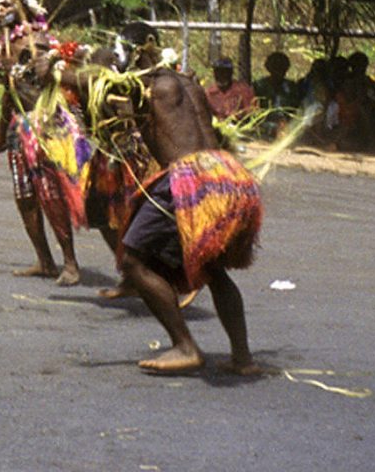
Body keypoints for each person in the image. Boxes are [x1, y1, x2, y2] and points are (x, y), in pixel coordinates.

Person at [60, 51, 261, 375]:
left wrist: (56, 72)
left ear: (139, 54)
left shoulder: (151, 84)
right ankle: (243, 359)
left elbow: (98, 81)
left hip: (188, 180)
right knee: (213, 269)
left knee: (133, 261)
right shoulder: (189, 84)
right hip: (226, 174)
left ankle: (185, 346)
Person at [0, 0, 85, 285]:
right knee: (25, 197)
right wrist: (1, 133)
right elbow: (9, 94)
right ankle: (45, 261)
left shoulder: (38, 41)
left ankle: (70, 263)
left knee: (50, 194)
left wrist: (18, 67)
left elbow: (42, 81)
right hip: (20, 128)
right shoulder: (5, 45)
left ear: (24, 8)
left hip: (45, 125)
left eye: (7, 4)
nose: (0, 9)